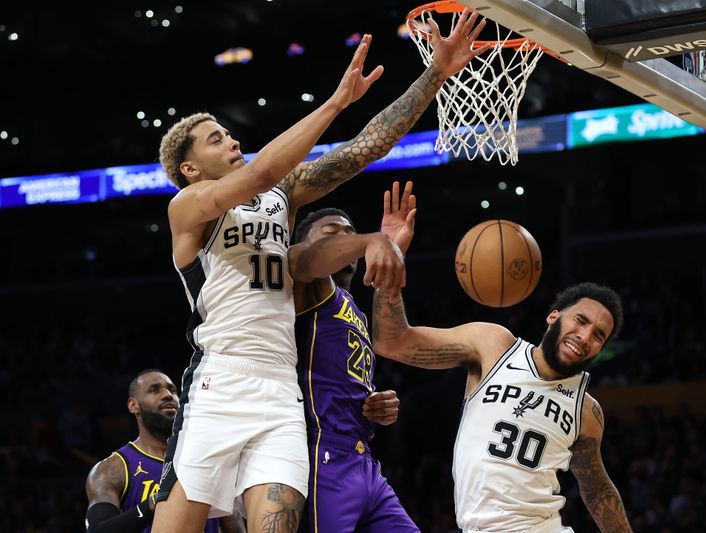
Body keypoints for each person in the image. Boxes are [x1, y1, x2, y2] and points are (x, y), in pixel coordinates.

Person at [153, 11, 488, 532]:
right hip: (219, 382)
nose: (233, 140)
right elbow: (264, 168)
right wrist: (336, 102)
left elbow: (366, 148)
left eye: (228, 132)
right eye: (216, 139)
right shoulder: (189, 208)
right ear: (191, 168)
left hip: (281, 391)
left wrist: (436, 75)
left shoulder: (279, 197)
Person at [371, 182, 633, 532]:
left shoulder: (586, 410)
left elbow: (597, 490)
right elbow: (392, 341)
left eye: (599, 335)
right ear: (554, 317)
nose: (585, 337)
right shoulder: (493, 345)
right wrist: (391, 257)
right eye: (580, 321)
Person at [292, 202, 417, 532]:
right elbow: (308, 259)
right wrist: (370, 239)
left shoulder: (355, 312)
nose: (347, 238)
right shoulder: (309, 290)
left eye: (351, 232)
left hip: (364, 462)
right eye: (332, 233)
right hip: (321, 454)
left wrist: (379, 404)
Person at [84, 369, 244, 532]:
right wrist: (153, 503)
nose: (168, 395)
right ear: (133, 405)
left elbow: (235, 528)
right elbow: (98, 530)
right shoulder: (113, 469)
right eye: (154, 390)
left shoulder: (209, 461)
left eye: (172, 390)